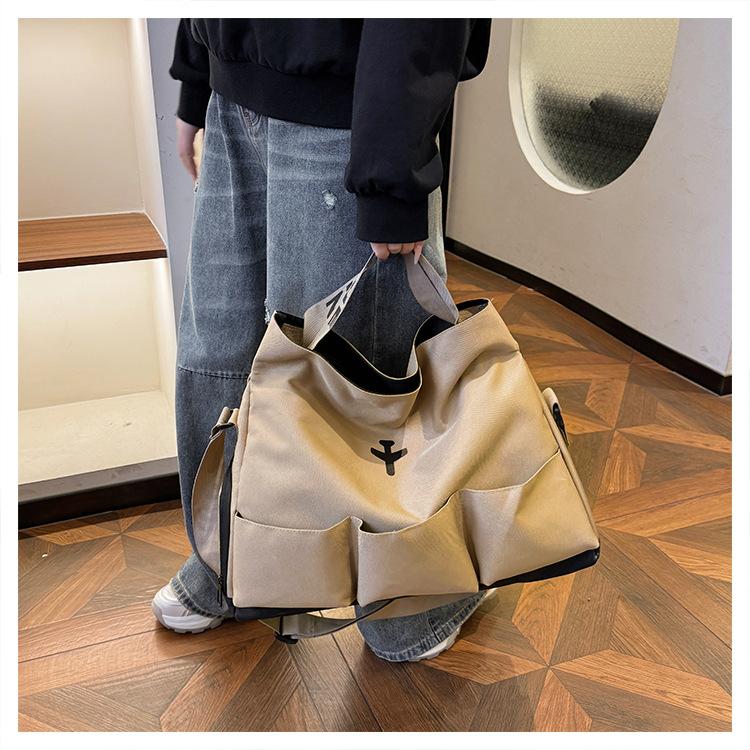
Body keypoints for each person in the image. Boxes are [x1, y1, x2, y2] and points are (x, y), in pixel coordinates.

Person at [151, 18, 493, 662]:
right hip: (233, 92)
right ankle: (233, 560)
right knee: (218, 357)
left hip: (349, 110)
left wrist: (394, 170)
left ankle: (417, 597)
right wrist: (197, 77)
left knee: (362, 376)